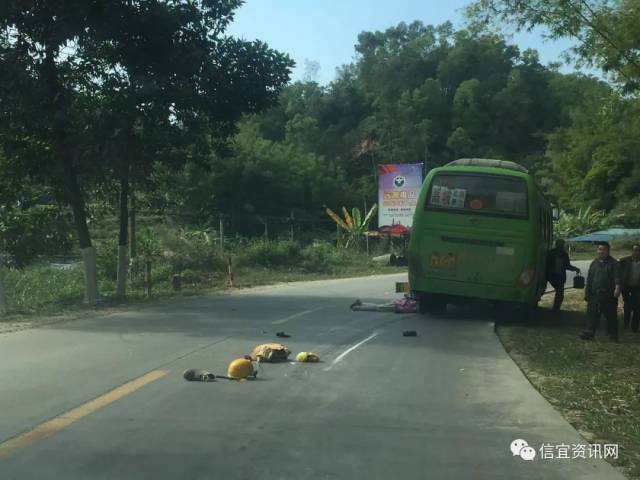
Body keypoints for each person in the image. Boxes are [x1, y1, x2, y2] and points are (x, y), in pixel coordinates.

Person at [580, 242, 621, 341]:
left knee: (611, 316)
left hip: (609, 295)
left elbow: (617, 277)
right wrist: (587, 293)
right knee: (592, 314)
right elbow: (590, 279)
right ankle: (589, 333)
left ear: (608, 251)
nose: (601, 251)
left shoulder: (614, 263)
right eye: (600, 249)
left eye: (604, 249)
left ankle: (613, 335)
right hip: (594, 295)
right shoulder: (594, 263)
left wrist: (617, 288)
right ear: (597, 250)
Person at [546, 239, 581, 313]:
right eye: (559, 244)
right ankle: (555, 310)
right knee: (559, 293)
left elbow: (567, 266)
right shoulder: (551, 253)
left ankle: (555, 309)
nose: (561, 246)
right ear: (556, 245)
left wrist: (575, 269)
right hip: (552, 276)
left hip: (560, 277)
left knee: (560, 294)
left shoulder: (564, 255)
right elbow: (546, 265)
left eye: (562, 244)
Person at [620, 244, 640, 332]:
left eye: (638, 250)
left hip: (638, 288)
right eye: (634, 250)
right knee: (627, 307)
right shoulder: (624, 261)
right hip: (627, 288)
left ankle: (634, 327)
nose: (636, 252)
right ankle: (626, 324)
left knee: (637, 308)